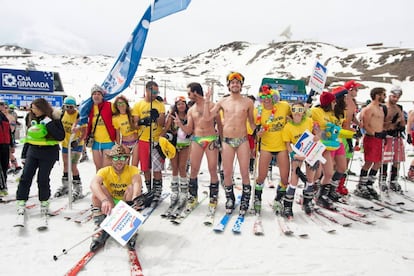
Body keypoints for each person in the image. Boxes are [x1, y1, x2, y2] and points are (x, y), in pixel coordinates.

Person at [204, 72, 255, 215]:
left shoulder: (248, 102)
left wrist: (260, 130)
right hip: (227, 141)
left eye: (237, 82)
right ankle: (229, 198)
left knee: (245, 172)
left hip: (243, 140)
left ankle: (245, 200)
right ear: (228, 85)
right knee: (227, 172)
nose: (235, 84)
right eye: (232, 82)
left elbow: (252, 122)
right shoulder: (222, 101)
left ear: (241, 85)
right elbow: (208, 117)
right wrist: (207, 100)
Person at [174, 83, 222, 215]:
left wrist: (222, 140)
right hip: (196, 139)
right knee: (194, 169)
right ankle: (193, 197)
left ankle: (213, 197)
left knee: (213, 168)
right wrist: (180, 125)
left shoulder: (212, 105)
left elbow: (219, 124)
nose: (188, 95)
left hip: (211, 138)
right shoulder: (191, 110)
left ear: (195, 92)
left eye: (189, 93)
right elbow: (189, 130)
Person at [89, 144, 145, 251]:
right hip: (111, 203)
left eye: (122, 158)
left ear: (126, 159)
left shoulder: (132, 170)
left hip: (126, 203)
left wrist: (135, 198)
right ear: (111, 159)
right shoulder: (105, 170)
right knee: (97, 193)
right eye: (116, 158)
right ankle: (100, 227)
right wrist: (104, 200)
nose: (119, 161)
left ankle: (130, 229)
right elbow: (93, 184)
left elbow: (137, 182)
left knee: (131, 188)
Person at [15, 98, 65, 219]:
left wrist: (49, 123)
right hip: (33, 151)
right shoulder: (30, 117)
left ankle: (44, 201)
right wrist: (24, 154)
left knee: (42, 178)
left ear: (43, 108)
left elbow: (60, 136)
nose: (33, 110)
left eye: (36, 108)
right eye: (32, 108)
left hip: (48, 153)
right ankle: (21, 200)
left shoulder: (54, 118)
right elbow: (29, 136)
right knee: (26, 176)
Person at [253, 84, 291, 215]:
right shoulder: (258, 110)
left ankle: (278, 199)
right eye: (263, 97)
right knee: (261, 176)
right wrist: (258, 133)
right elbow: (254, 129)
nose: (266, 99)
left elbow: (298, 115)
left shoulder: (284, 106)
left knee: (285, 178)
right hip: (266, 147)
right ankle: (257, 198)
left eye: (269, 96)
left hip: (282, 147)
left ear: (273, 96)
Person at [282, 102, 319, 216]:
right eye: (295, 110)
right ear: (291, 112)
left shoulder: (308, 121)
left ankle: (307, 202)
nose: (297, 113)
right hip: (298, 152)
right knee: (294, 178)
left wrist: (317, 134)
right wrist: (292, 154)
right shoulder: (288, 127)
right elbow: (287, 143)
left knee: (310, 178)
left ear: (303, 111)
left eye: (300, 110)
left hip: (310, 150)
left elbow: (317, 132)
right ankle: (287, 205)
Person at [132, 81, 166, 205]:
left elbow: (162, 123)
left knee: (157, 168)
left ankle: (158, 191)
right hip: (143, 139)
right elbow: (134, 124)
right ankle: (149, 189)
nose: (155, 94)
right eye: (153, 91)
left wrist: (157, 117)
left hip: (156, 139)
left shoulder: (159, 104)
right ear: (147, 90)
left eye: (157, 92)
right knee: (145, 167)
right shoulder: (138, 105)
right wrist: (142, 121)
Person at [354, 87, 387, 199]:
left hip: (379, 138)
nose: (384, 96)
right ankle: (361, 184)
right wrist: (374, 133)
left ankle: (369, 184)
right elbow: (366, 125)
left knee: (378, 162)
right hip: (371, 138)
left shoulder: (381, 108)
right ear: (377, 95)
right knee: (369, 162)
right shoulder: (369, 109)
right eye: (383, 94)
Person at [161, 96, 192, 216]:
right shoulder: (172, 116)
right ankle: (175, 191)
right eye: (178, 104)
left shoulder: (189, 116)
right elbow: (166, 128)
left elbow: (191, 130)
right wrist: (160, 139)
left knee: (182, 167)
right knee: (174, 167)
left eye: (183, 103)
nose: (181, 106)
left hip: (184, 145)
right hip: (173, 145)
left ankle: (184, 192)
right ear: (176, 105)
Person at [55, 96, 87, 200]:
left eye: (71, 107)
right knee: (65, 165)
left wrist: (78, 141)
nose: (69, 109)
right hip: (65, 143)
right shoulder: (62, 114)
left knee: (73, 165)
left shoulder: (79, 115)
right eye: (66, 107)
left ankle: (78, 187)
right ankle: (65, 185)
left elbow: (84, 131)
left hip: (76, 144)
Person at [380, 86, 406, 192]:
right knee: (385, 159)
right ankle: (382, 179)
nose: (396, 99)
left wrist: (401, 125)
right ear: (390, 95)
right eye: (394, 96)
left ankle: (393, 180)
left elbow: (403, 121)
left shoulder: (399, 107)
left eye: (398, 97)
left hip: (397, 136)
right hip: (387, 136)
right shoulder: (383, 107)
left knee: (397, 159)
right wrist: (392, 124)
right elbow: (381, 123)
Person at [86, 84, 116, 172]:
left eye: (98, 94)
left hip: (108, 141)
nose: (96, 96)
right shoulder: (89, 108)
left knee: (106, 168)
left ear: (102, 96)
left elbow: (121, 115)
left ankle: (106, 185)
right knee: (98, 168)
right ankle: (98, 185)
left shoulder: (110, 105)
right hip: (95, 142)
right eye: (94, 94)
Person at [339, 80, 362, 192]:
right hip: (341, 134)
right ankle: (331, 185)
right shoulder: (342, 100)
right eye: (356, 89)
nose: (357, 91)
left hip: (349, 134)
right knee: (339, 161)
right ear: (350, 89)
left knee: (347, 160)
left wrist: (359, 125)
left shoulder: (353, 102)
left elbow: (352, 117)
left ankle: (340, 185)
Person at [112, 95, 139, 166]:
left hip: (136, 142)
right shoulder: (115, 118)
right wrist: (118, 146)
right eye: (119, 104)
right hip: (125, 143)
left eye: (122, 103)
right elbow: (117, 133)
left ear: (126, 104)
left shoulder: (132, 113)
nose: (121, 105)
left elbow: (138, 126)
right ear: (116, 106)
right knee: (125, 164)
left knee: (134, 164)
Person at [0, 98, 14, 196]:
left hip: (5, 145)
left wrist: (11, 145)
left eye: (4, 105)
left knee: (4, 166)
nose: (4, 107)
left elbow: (9, 132)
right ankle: (1, 187)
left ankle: (3, 187)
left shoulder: (4, 117)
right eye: (1, 105)